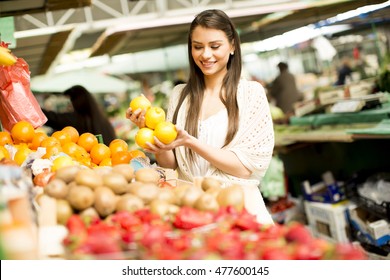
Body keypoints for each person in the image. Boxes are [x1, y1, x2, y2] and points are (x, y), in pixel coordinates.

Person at [127, 9, 274, 225]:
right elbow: (171, 165)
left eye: (215, 46)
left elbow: (246, 168)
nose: (205, 55)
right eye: (198, 47)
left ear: (232, 46)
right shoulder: (179, 95)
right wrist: (150, 134)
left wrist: (191, 142)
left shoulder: (251, 94)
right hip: (191, 209)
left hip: (239, 210)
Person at [42, 85, 116, 145]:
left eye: (69, 102)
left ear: (77, 102)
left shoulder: (76, 120)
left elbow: (52, 118)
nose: (68, 106)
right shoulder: (101, 119)